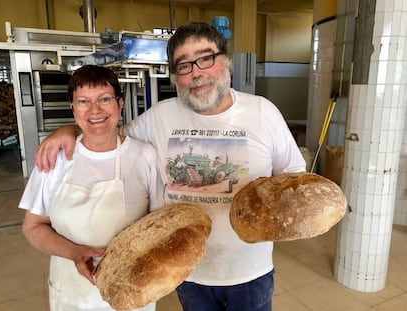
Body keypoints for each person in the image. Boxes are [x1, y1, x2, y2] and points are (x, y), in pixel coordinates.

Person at [35, 22, 306, 311]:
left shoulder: (262, 111)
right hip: (186, 270)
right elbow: (106, 133)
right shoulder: (162, 115)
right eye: (184, 65)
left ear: (225, 61)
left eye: (205, 58)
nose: (196, 72)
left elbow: (293, 179)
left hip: (248, 270)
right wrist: (66, 131)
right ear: (176, 77)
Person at [20, 65, 163, 311]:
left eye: (105, 99)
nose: (95, 110)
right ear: (73, 109)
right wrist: (74, 252)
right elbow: (32, 227)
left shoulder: (144, 155)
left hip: (131, 293)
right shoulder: (56, 158)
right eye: (84, 101)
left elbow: (160, 225)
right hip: (71, 293)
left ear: (120, 104)